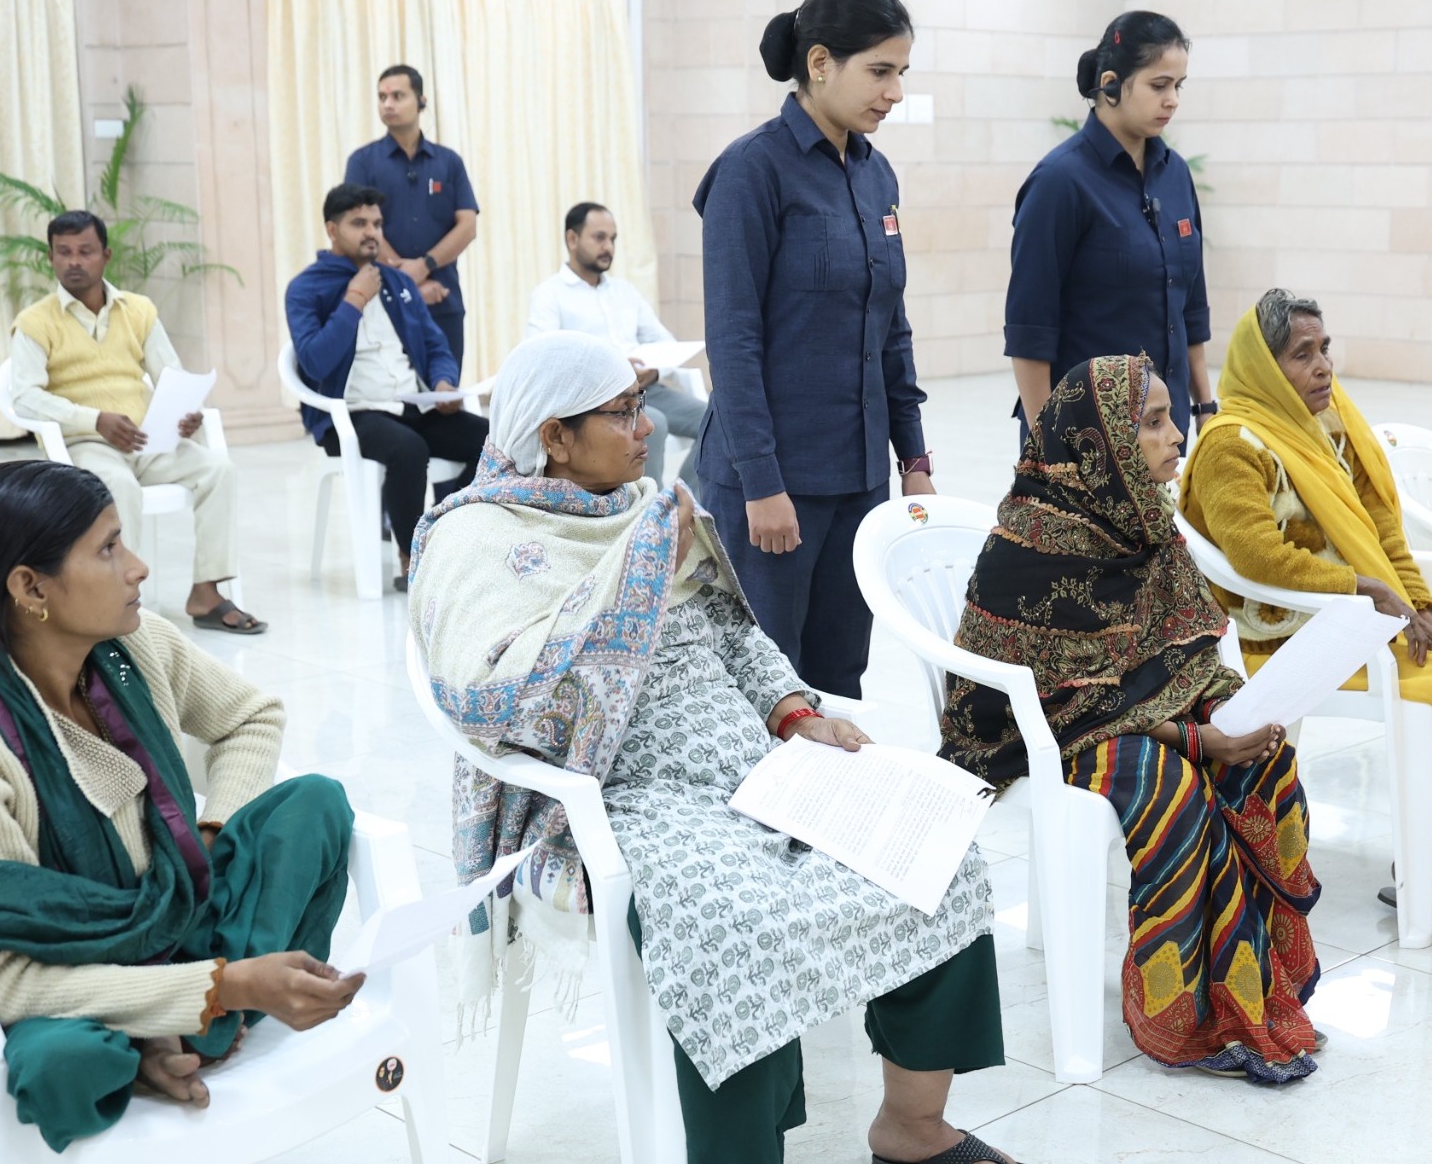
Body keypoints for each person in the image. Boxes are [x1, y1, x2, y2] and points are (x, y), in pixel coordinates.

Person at [411, 334, 1015, 1164]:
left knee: (939, 852)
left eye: (642, 405)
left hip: (757, 766)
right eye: (623, 411)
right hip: (628, 793)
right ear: (554, 435)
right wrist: (626, 578)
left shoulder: (646, 507)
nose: (647, 426)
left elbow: (734, 633)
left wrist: (795, 712)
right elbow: (486, 698)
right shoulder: (476, 536)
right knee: (733, 928)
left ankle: (911, 1128)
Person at [0, 461, 363, 1159]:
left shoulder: (133, 647)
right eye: (107, 548)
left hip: (169, 915)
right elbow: (5, 978)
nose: (136, 568)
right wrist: (223, 984)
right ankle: (175, 1030)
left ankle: (174, 1030)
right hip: (57, 976)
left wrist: (209, 829)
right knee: (60, 1061)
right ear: (30, 587)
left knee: (313, 804)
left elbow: (250, 716)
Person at [942, 355, 1321, 1080]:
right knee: (1170, 787)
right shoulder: (1032, 545)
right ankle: (1187, 1014)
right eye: (1150, 423)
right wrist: (1192, 735)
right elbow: (1063, 701)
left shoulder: (1140, 517)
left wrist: (1229, 708)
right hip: (1049, 730)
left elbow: (1183, 645)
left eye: (1168, 416)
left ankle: (1261, 988)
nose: (1175, 435)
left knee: (1261, 753)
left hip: (1125, 707)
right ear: (1099, 442)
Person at [1182, 291, 1432, 933]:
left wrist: (1418, 604)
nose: (1323, 366)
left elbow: (1385, 531)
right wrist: (1362, 591)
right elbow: (1256, 557)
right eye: (1302, 355)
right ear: (1267, 367)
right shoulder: (1233, 443)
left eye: (1324, 348)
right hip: (1292, 636)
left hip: (1372, 616)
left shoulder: (1334, 427)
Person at [692, 0, 934, 697]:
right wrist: (762, 486)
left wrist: (912, 457)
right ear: (820, 62)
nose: (893, 92)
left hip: (856, 479)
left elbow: (889, 325)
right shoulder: (750, 171)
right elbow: (731, 342)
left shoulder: (874, 172)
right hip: (771, 481)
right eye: (880, 71)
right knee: (766, 684)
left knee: (838, 675)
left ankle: (829, 811)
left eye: (901, 73)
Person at [9, 210, 263, 635]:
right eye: (64, 252)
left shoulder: (138, 310)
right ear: (50, 258)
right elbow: (26, 397)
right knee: (118, 487)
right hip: (85, 444)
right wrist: (95, 419)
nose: (74, 261)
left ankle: (207, 592)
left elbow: (171, 375)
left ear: (105, 255)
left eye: (85, 251)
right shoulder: (35, 322)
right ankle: (122, 603)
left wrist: (185, 413)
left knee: (217, 469)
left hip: (147, 439)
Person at [1005, 11, 1213, 437]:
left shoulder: (1175, 174)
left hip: (1166, 434)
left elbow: (1190, 306)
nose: (1172, 99)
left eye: (1178, 85)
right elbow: (1030, 331)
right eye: (1159, 85)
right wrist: (1048, 449)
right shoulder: (1060, 182)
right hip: (1086, 439)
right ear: (1112, 84)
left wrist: (1205, 409)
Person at [285, 182, 488, 590]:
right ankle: (411, 559)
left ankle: (447, 536)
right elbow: (314, 360)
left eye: (376, 223)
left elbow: (434, 345)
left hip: (411, 406)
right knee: (407, 449)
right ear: (332, 229)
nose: (371, 232)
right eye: (358, 223)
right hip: (351, 414)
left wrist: (444, 383)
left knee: (494, 439)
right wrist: (353, 301)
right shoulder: (306, 288)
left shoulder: (398, 283)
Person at [525, 201, 704, 486]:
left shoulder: (624, 292)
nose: (608, 246)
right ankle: (646, 514)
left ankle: (683, 505)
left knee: (717, 418)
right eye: (599, 237)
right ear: (572, 239)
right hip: (599, 398)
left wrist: (653, 371)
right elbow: (544, 359)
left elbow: (663, 342)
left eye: (613, 239)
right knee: (651, 424)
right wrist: (615, 372)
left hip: (647, 387)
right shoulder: (550, 295)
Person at [342, 64, 479, 365]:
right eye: (382, 97)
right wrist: (409, 280)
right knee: (397, 397)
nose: (388, 104)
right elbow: (358, 229)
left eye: (397, 96)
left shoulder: (448, 162)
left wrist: (425, 265)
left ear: (421, 101)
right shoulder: (363, 162)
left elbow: (467, 226)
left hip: (442, 297)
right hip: (384, 298)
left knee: (445, 395)